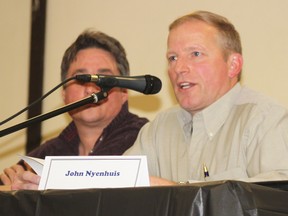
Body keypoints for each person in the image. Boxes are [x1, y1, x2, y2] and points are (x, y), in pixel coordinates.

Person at [125, 10, 288, 185]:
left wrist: (181, 194)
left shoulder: (265, 119)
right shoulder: (159, 128)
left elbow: (277, 198)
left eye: (195, 54)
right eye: (172, 58)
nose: (179, 68)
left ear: (233, 65)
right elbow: (119, 184)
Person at [0, 30, 148, 189]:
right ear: (63, 93)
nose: (91, 90)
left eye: (104, 79)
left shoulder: (146, 139)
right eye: (81, 79)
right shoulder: (49, 152)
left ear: (124, 91)